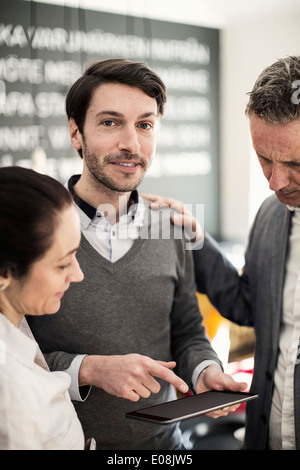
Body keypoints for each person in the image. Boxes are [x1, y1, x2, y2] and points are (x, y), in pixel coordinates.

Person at [28, 58, 246, 450]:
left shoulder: (173, 228)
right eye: (110, 122)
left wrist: (205, 370)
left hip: (166, 447)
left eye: (144, 124)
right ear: (76, 133)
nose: (131, 143)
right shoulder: (30, 232)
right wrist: (89, 369)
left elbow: (188, 332)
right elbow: (9, 356)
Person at [145, 56, 300, 450]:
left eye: (296, 164)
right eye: (264, 159)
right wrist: (197, 239)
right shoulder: (271, 214)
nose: (275, 182)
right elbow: (248, 305)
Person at [0, 166, 85, 450]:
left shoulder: (15, 324)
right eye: (62, 263)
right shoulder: (10, 392)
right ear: (4, 273)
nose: (78, 274)